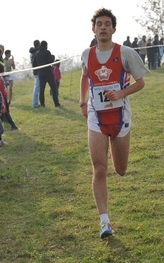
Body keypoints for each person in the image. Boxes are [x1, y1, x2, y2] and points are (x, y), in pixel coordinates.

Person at [79, 8, 150, 239]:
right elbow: (84, 76)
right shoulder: (86, 54)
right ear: (93, 29)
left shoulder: (125, 53)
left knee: (120, 169)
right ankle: (104, 222)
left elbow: (140, 83)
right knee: (99, 169)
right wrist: (82, 102)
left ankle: (114, 150)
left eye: (107, 24)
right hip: (96, 120)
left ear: (113, 29)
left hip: (120, 119)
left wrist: (120, 93)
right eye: (99, 23)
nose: (102, 27)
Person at [33, 41, 64, 108]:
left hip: (41, 74)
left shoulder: (37, 54)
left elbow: (34, 65)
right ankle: (56, 103)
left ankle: (42, 104)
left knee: (42, 90)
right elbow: (51, 62)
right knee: (54, 88)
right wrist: (52, 57)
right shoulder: (47, 52)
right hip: (48, 73)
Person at [0, 61, 18, 131]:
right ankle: (11, 126)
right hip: (1, 98)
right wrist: (6, 96)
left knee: (5, 113)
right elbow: (3, 90)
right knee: (4, 113)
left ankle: (13, 125)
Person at [29, 40, 41, 108]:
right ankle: (35, 103)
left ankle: (36, 102)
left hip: (35, 71)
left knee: (37, 87)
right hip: (37, 71)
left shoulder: (33, 52)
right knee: (37, 88)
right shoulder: (36, 53)